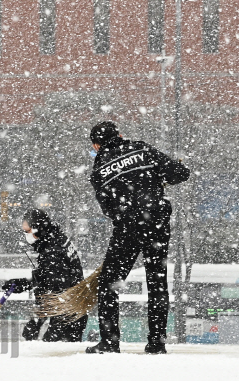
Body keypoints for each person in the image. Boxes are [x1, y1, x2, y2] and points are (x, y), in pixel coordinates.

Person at [86, 121, 190, 354]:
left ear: (96, 145)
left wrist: (127, 213)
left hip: (127, 229)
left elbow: (108, 210)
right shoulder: (143, 150)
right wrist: (156, 182)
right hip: (157, 222)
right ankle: (156, 343)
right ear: (120, 135)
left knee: (108, 284)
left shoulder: (99, 172)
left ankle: (110, 342)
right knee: (156, 282)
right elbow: (181, 173)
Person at [2, 209, 88, 342]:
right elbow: (47, 277)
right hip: (72, 311)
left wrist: (37, 321)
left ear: (38, 229)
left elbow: (54, 290)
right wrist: (24, 283)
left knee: (54, 353)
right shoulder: (55, 241)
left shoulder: (53, 250)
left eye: (28, 231)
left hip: (67, 314)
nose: (26, 235)